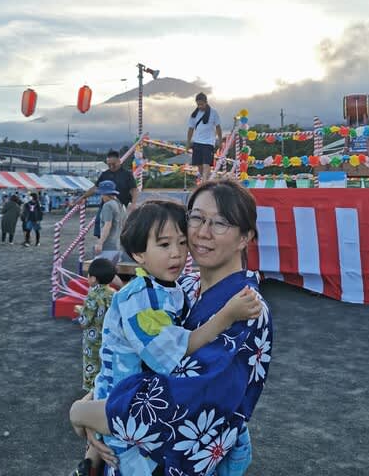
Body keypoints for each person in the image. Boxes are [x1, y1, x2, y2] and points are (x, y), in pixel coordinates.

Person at [69, 194, 266, 476]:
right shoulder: (174, 289)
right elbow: (164, 354)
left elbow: (177, 404)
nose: (203, 232)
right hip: (120, 409)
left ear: (245, 236)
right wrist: (91, 406)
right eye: (197, 218)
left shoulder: (247, 308)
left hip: (139, 427)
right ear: (139, 254)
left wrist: (87, 413)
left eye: (220, 222)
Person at [72, 257, 117, 476]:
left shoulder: (92, 295)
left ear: (93, 278)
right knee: (104, 374)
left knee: (92, 376)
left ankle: (91, 407)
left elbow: (84, 321)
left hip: (92, 343)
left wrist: (79, 310)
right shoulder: (114, 294)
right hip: (108, 342)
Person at [186, 92, 223, 182]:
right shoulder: (194, 115)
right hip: (197, 142)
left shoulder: (214, 113)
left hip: (209, 143)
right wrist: (188, 142)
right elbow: (190, 129)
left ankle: (204, 183)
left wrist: (220, 141)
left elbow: (218, 127)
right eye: (198, 104)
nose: (200, 106)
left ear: (206, 102)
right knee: (199, 166)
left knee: (206, 164)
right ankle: (207, 181)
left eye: (201, 104)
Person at [94, 181, 127, 259]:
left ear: (105, 194)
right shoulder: (120, 204)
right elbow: (124, 224)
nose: (101, 197)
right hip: (118, 243)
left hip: (108, 243)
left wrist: (100, 243)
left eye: (102, 194)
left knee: (103, 265)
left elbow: (107, 225)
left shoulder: (107, 205)